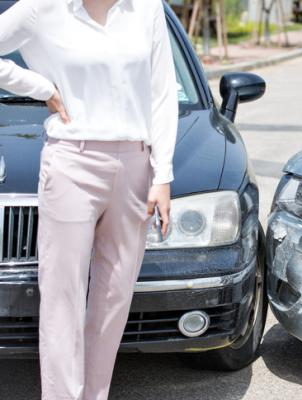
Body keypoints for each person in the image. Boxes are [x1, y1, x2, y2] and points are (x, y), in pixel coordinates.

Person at [0, 0, 178, 398]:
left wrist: (162, 175)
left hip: (136, 164)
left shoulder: (146, 9)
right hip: (71, 162)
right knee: (61, 295)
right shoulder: (42, 7)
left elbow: (162, 92)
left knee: (114, 296)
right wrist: (40, 87)